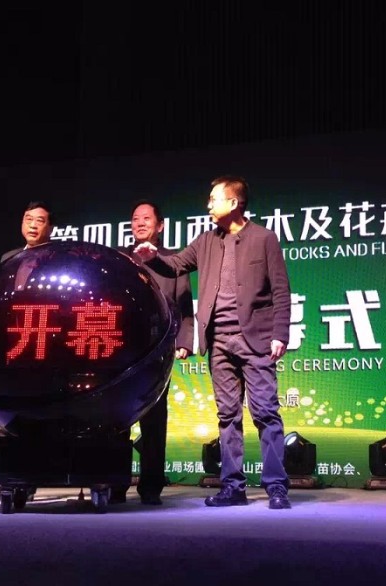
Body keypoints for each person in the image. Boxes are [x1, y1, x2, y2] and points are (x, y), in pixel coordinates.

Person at [134, 176, 292, 509]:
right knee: (227, 415)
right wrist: (153, 257)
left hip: (256, 339)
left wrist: (280, 333)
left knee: (265, 412)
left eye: (213, 199)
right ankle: (232, 487)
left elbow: (281, 290)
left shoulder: (264, 238)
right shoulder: (206, 240)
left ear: (233, 203)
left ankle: (276, 487)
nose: (208, 205)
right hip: (218, 341)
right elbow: (176, 264)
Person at [0, 201, 53, 502]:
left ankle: (24, 482)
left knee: (31, 417)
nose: (33, 225)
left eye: (39, 220)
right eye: (28, 219)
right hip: (10, 344)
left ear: (49, 227)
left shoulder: (57, 257)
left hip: (41, 342)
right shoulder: (9, 258)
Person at [110, 200, 194, 506]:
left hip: (158, 350)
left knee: (155, 418)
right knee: (116, 418)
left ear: (160, 226)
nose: (139, 223)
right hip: (121, 350)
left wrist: (185, 341)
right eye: (135, 219)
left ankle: (151, 486)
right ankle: (115, 484)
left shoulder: (173, 261)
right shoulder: (120, 258)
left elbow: (185, 305)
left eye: (146, 218)